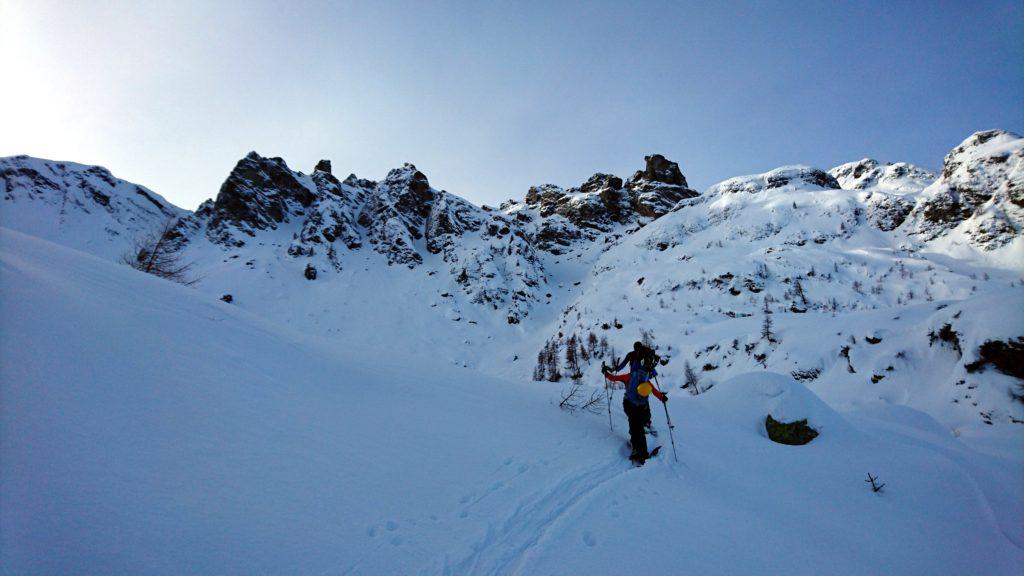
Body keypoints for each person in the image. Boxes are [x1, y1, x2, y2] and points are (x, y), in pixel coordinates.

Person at [603, 341, 667, 465]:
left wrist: (606, 372)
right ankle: (642, 446)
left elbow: (613, 377)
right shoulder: (645, 379)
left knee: (634, 426)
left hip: (629, 403)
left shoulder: (629, 373)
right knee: (638, 426)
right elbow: (654, 390)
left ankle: (637, 448)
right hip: (641, 404)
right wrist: (662, 397)